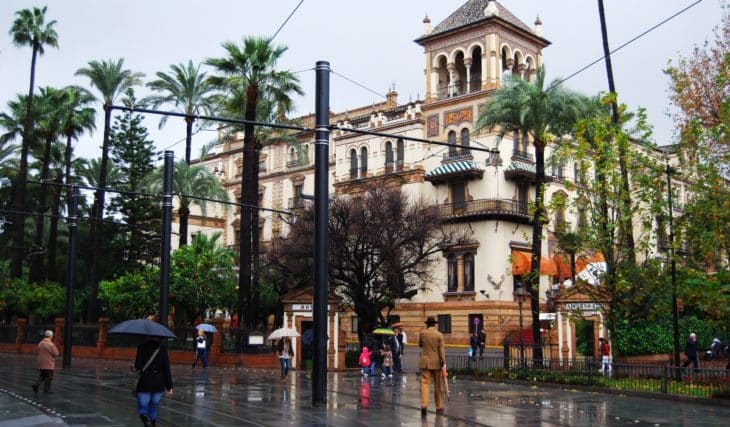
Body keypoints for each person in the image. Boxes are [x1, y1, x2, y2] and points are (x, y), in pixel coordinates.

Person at [133, 337, 173, 427]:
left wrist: (135, 367)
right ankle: (153, 424)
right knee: (153, 405)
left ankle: (144, 417)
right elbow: (166, 369)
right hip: (158, 383)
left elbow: (138, 366)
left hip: (145, 382)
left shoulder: (141, 347)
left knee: (143, 406)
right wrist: (169, 387)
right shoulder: (162, 349)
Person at [419, 316, 446, 416]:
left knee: (425, 384)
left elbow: (420, 345)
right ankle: (438, 406)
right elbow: (441, 350)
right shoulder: (439, 335)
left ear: (427, 324)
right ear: (434, 324)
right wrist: (443, 361)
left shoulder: (422, 333)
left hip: (425, 362)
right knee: (437, 385)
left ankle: (424, 405)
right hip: (436, 363)